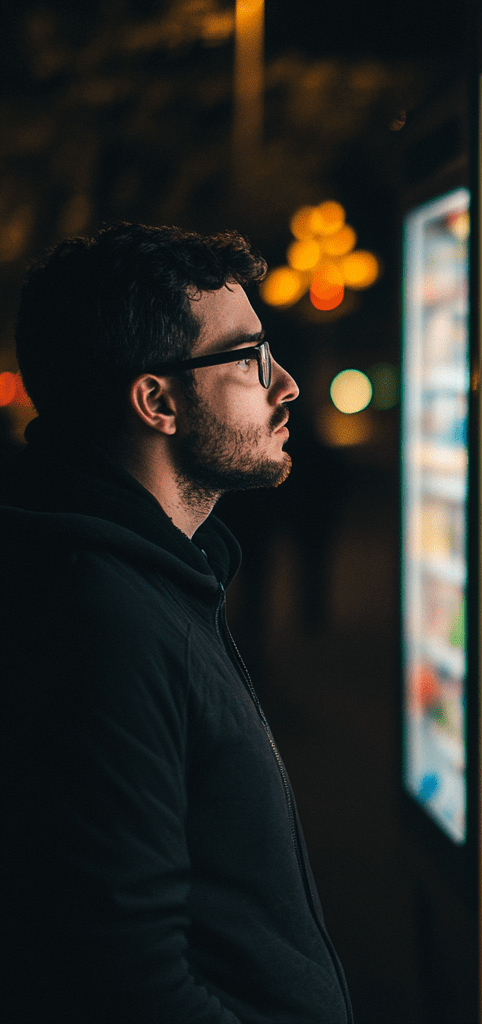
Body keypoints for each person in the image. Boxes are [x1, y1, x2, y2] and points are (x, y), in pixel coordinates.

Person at [0, 223, 353, 1023]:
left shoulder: (147, 571)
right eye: (251, 359)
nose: (287, 384)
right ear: (157, 400)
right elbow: (123, 975)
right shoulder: (93, 616)